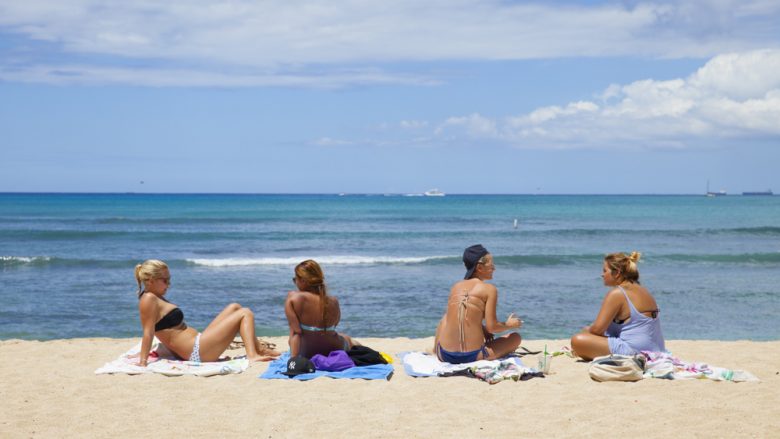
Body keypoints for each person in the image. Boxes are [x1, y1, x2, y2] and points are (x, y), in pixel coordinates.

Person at [134, 259, 278, 366]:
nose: (169, 284)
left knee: (235, 306)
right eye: (165, 280)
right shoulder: (148, 299)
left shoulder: (155, 297)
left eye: (169, 280)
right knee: (245, 313)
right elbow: (148, 332)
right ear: (151, 280)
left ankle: (259, 349)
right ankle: (252, 355)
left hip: (198, 343)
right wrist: (143, 361)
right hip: (197, 352)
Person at [433, 244, 522, 363]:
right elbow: (493, 327)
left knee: (446, 317)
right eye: (491, 265)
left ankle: (435, 349)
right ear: (479, 268)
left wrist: (482, 328)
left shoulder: (456, 287)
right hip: (474, 356)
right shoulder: (489, 289)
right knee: (515, 338)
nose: (494, 269)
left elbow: (462, 316)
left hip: (444, 355)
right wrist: (510, 324)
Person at [570, 251, 665, 361]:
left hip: (635, 351)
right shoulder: (642, 290)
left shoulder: (617, 293)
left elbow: (597, 330)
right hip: (655, 349)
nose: (602, 274)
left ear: (617, 273)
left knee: (577, 340)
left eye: (605, 271)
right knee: (586, 332)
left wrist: (587, 334)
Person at [284, 259, 358, 358]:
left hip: (306, 351)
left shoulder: (294, 297)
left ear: (303, 281)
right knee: (346, 338)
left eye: (295, 279)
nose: (295, 282)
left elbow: (295, 333)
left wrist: (293, 360)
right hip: (334, 348)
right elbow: (333, 326)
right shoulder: (333, 301)